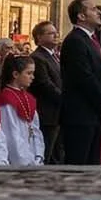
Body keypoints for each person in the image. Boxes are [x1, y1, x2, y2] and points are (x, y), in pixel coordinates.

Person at [59, 0, 101, 166]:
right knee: (79, 164)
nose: (99, 12)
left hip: (95, 114)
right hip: (80, 115)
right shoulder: (74, 41)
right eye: (93, 9)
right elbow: (84, 77)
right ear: (81, 16)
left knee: (92, 163)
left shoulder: (93, 40)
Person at [0, 55, 43, 166]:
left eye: (33, 73)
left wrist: (39, 155)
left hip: (33, 156)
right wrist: (25, 162)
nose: (33, 77)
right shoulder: (7, 99)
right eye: (29, 73)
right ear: (16, 74)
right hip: (19, 161)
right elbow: (11, 135)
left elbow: (35, 129)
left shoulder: (28, 97)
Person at [28, 21, 62, 164]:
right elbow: (45, 85)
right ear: (39, 37)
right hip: (47, 113)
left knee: (57, 154)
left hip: (57, 113)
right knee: (46, 152)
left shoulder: (53, 56)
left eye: (56, 32)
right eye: (51, 33)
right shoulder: (38, 57)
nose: (56, 35)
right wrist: (66, 99)